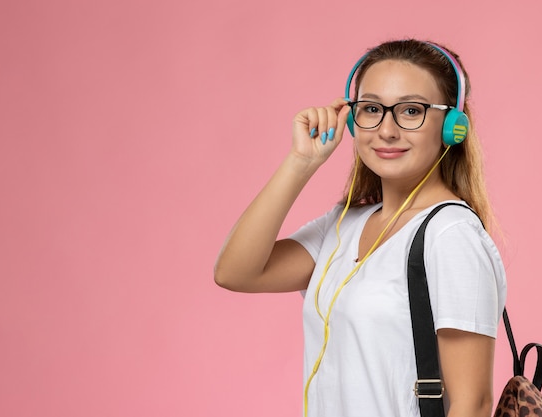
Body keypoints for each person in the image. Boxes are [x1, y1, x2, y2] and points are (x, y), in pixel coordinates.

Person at [214, 38, 507, 417]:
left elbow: (473, 404)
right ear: (353, 119)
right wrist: (301, 161)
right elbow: (235, 272)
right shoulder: (344, 225)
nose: (386, 130)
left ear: (453, 125)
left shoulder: (451, 235)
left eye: (411, 111)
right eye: (371, 109)